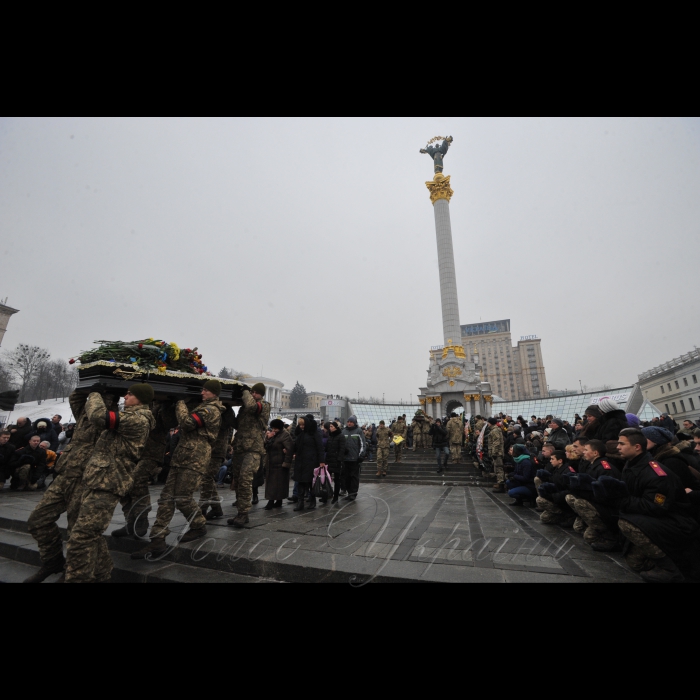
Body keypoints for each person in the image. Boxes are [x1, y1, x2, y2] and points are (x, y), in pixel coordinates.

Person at [24, 391, 117, 584]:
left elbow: (100, 416)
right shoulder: (84, 413)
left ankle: (88, 572)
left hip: (87, 480)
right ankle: (53, 562)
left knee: (81, 532)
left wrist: (101, 394)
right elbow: (75, 398)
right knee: (38, 519)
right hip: (66, 474)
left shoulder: (114, 418)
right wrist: (91, 385)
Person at [65, 384, 155, 583]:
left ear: (140, 399)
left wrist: (95, 393)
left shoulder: (138, 419)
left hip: (109, 482)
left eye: (130, 394)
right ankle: (103, 575)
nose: (125, 396)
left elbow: (98, 416)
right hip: (99, 479)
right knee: (90, 534)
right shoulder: (129, 416)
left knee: (82, 537)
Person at [133, 380, 224, 559]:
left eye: (206, 390)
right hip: (182, 455)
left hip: (195, 459)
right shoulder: (200, 406)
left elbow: (187, 423)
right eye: (202, 389)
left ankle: (198, 524)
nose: (202, 392)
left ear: (214, 393)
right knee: (166, 498)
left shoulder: (210, 410)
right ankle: (158, 538)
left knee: (183, 497)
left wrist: (181, 402)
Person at [598, 428, 700, 583]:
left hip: (676, 523)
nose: (617, 447)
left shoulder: (655, 473)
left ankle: (670, 569)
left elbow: (655, 506)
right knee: (635, 564)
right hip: (656, 519)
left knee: (626, 523)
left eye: (622, 443)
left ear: (637, 447)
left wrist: (620, 500)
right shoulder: (632, 465)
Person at [113, 400, 175, 540]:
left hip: (151, 451)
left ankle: (141, 519)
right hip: (132, 449)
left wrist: (165, 404)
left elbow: (168, 423)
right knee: (124, 485)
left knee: (137, 481)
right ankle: (131, 522)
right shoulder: (136, 402)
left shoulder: (160, 403)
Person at [565, 439, 622, 551]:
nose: (584, 452)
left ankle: (609, 535)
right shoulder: (592, 465)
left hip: (606, 507)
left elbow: (606, 495)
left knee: (580, 504)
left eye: (586, 450)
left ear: (595, 453)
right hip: (595, 501)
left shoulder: (604, 469)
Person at [227, 383, 270, 528]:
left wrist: (245, 391)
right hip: (240, 447)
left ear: (260, 394)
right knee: (238, 482)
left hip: (253, 449)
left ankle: (244, 513)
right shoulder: (244, 409)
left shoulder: (264, 405)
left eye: (255, 393)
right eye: (251, 392)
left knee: (245, 479)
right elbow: (237, 424)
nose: (252, 395)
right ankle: (240, 512)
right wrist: (228, 412)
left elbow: (252, 406)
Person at [200, 406, 237, 520]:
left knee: (206, 479)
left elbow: (226, 424)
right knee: (208, 480)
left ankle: (202, 509)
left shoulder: (226, 411)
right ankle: (216, 508)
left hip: (216, 450)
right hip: (208, 448)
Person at [536, 450, 577, 526]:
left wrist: (554, 496)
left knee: (540, 501)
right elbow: (554, 481)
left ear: (560, 460)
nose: (550, 461)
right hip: (557, 497)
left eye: (552, 459)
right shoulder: (557, 469)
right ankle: (559, 515)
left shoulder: (568, 471)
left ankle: (565, 515)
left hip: (562, 500)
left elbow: (570, 490)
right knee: (544, 518)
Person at [263, 419, 293, 509]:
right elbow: (266, 446)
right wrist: (268, 438)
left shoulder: (285, 435)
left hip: (280, 463)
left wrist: (286, 462)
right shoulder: (273, 435)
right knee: (271, 483)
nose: (274, 430)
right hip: (271, 462)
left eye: (276, 428)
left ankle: (273, 501)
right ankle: (274, 500)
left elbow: (289, 449)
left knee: (279, 484)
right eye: (273, 428)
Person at [341, 415, 366, 502]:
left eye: (351, 422)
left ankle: (353, 494)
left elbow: (363, 444)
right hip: (345, 459)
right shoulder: (343, 431)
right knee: (346, 477)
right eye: (348, 422)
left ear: (354, 423)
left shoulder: (358, 431)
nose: (349, 423)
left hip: (355, 459)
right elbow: (341, 444)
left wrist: (361, 455)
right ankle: (349, 492)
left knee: (354, 477)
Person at [325, 421, 344, 503]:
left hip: (336, 461)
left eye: (332, 426)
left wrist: (339, 459)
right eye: (330, 426)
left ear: (336, 427)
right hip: (329, 460)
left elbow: (342, 449)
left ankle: (335, 496)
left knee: (337, 479)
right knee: (327, 479)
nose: (330, 428)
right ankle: (327, 495)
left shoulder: (340, 436)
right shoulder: (330, 436)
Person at [488, 417, 506, 492]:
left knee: (499, 469)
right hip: (498, 452)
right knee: (497, 468)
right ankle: (499, 483)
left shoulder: (494, 430)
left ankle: (501, 485)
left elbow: (496, 442)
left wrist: (494, 452)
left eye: (488, 422)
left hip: (497, 453)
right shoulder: (496, 429)